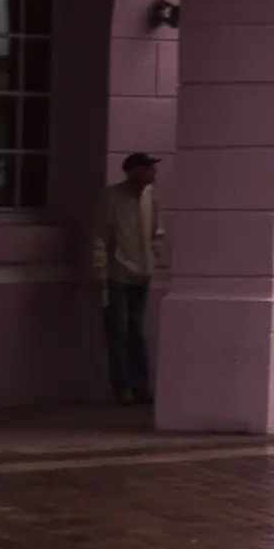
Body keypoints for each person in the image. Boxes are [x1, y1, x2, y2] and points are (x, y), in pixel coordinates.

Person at [93, 152, 163, 405]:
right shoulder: (112, 197)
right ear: (133, 172)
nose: (152, 174)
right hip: (118, 274)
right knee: (118, 332)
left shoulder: (150, 197)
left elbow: (158, 230)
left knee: (137, 333)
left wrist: (156, 257)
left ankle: (141, 387)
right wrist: (100, 271)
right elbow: (100, 236)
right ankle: (122, 388)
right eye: (148, 169)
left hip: (143, 274)